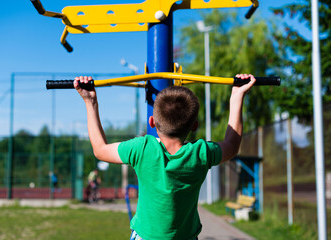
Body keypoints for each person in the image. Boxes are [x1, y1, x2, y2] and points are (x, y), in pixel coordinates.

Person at [74, 74, 256, 240]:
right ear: (194, 126)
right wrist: (237, 96)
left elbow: (100, 149)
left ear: (151, 121)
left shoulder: (142, 148)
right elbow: (232, 146)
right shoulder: (200, 153)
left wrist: (90, 102)